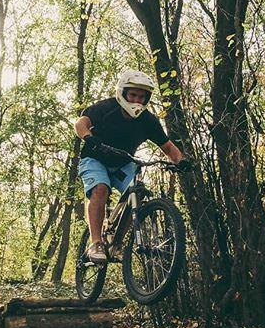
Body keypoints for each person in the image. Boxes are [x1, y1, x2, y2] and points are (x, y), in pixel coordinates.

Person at [74, 69, 190, 263]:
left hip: (123, 162)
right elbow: (81, 123)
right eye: (133, 95)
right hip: (94, 159)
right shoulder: (106, 108)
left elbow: (168, 147)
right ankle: (95, 242)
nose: (137, 100)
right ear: (123, 92)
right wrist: (88, 137)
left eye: (142, 97)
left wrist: (182, 161)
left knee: (138, 192)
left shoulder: (148, 121)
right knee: (100, 189)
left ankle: (117, 244)